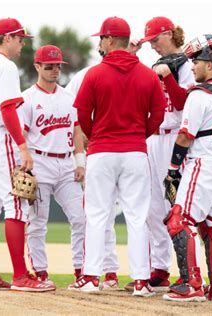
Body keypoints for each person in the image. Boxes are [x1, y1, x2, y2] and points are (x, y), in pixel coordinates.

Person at [67, 16, 166, 297]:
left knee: (97, 216)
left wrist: (96, 134)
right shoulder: (147, 74)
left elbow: (83, 115)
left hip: (101, 151)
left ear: (110, 40)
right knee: (137, 217)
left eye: (101, 38)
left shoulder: (94, 74)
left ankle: (90, 277)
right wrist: (138, 135)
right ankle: (141, 281)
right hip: (134, 151)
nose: (100, 42)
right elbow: (158, 115)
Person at [0, 17, 55, 292]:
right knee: (17, 204)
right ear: (7, 38)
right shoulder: (5, 66)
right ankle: (20, 276)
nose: (22, 44)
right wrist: (22, 145)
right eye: (19, 39)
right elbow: (8, 108)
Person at [162, 34, 212, 303]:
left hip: (205, 162)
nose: (193, 66)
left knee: (179, 220)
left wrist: (173, 169)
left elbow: (185, 135)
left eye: (196, 61)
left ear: (210, 63)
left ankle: (191, 284)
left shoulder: (200, 94)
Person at [125, 16, 196, 292]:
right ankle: (159, 269)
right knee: (152, 207)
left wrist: (168, 77)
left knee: (176, 208)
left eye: (155, 40)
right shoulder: (155, 66)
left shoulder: (188, 66)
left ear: (169, 34)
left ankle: (187, 273)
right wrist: (130, 57)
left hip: (175, 140)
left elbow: (183, 104)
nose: (153, 46)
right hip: (153, 139)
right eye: (149, 42)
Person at [20, 45, 87, 286]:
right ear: (37, 66)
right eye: (49, 66)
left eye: (58, 65)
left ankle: (81, 271)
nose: (54, 70)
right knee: (37, 222)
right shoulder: (27, 98)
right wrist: (23, 165)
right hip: (40, 162)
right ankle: (41, 272)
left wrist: (80, 161)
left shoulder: (69, 97)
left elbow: (77, 130)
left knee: (81, 218)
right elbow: (21, 136)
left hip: (66, 163)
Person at [65, 47, 120, 290]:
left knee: (100, 216)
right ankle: (97, 271)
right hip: (97, 151)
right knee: (94, 216)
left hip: (108, 150)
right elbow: (70, 110)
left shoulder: (92, 75)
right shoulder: (85, 75)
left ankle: (104, 272)